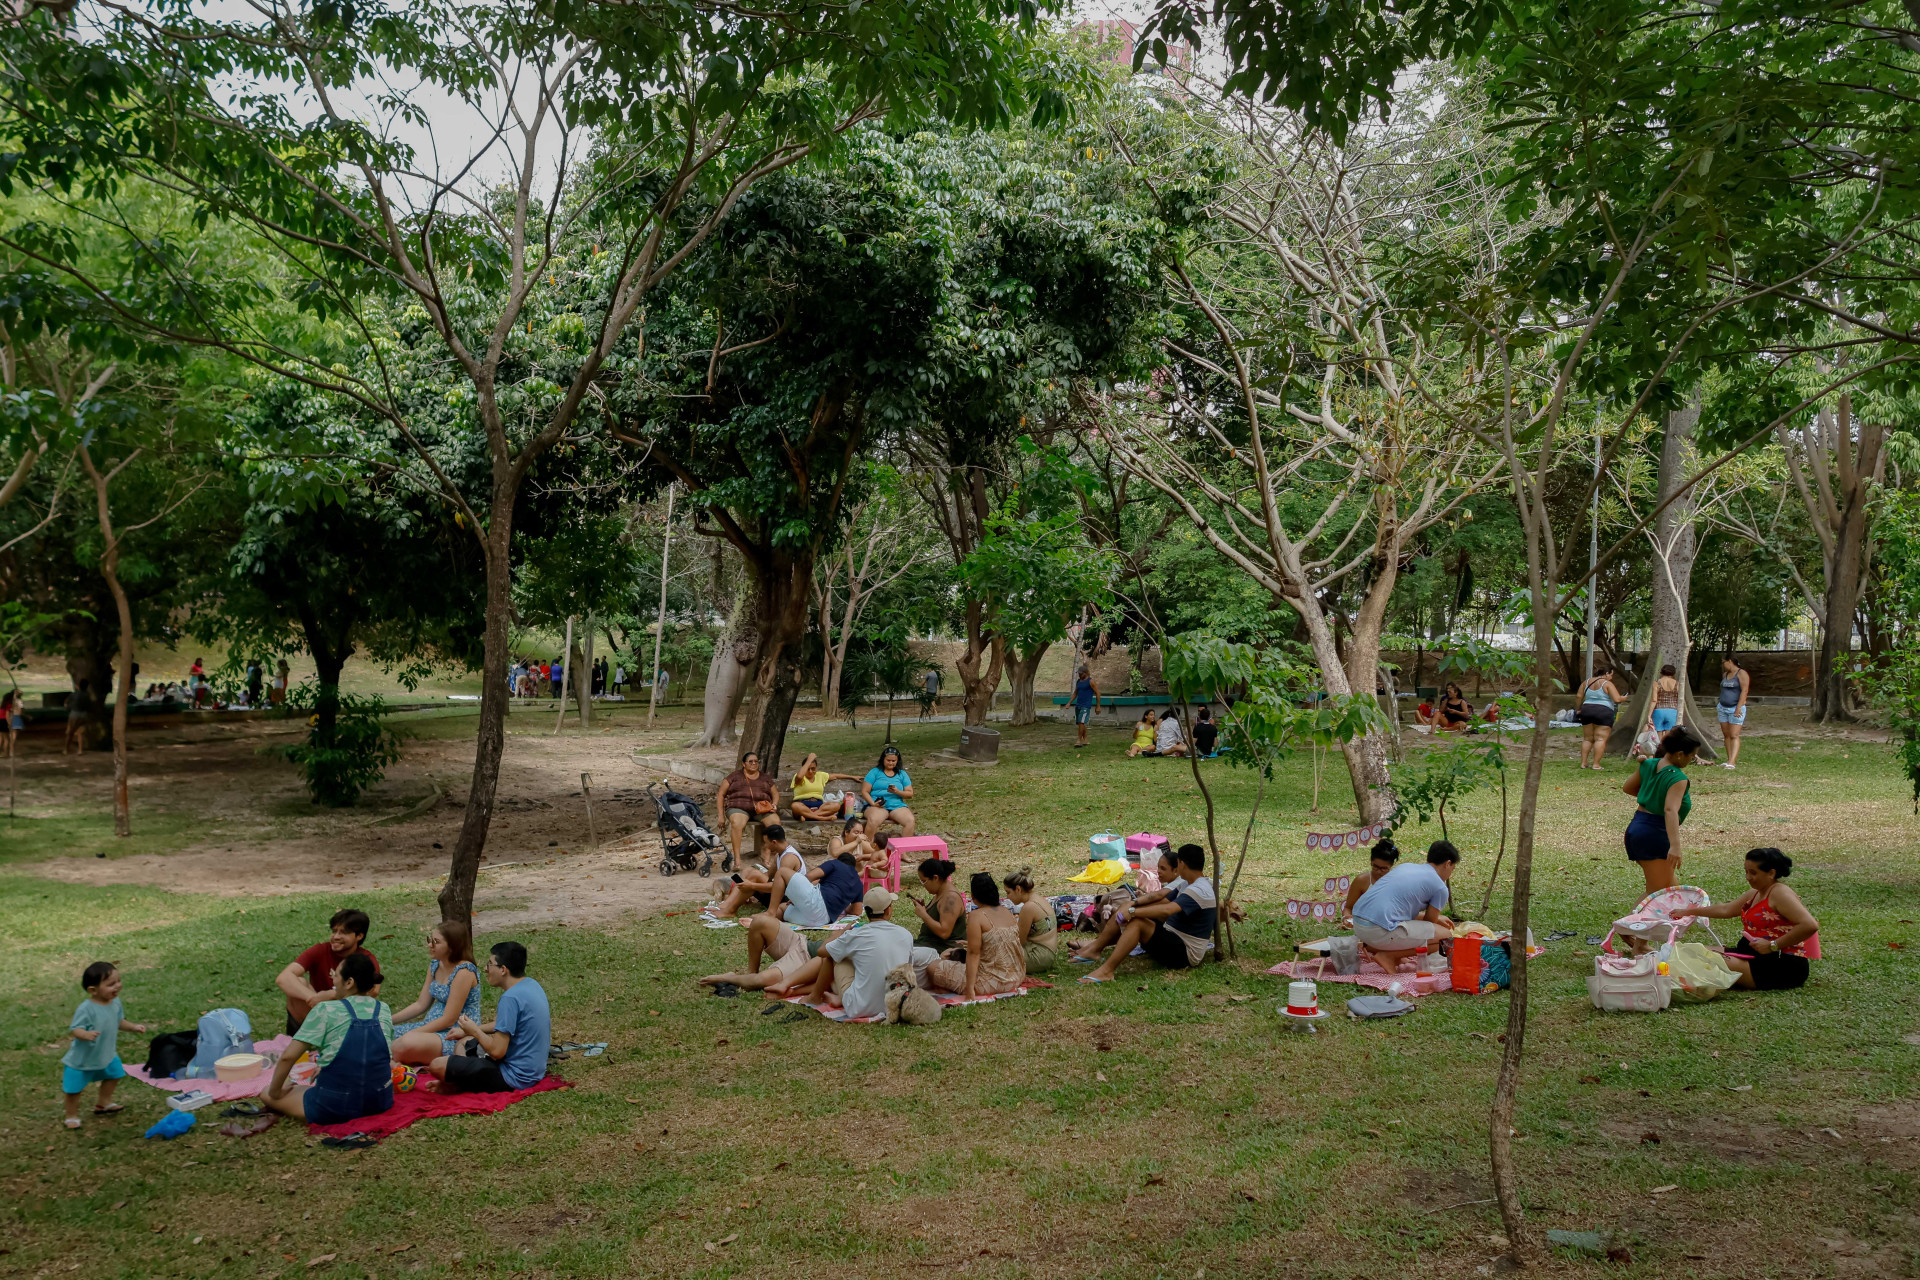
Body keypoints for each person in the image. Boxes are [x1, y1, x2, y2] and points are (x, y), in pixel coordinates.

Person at [263, 951, 394, 1125]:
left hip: (334, 1105)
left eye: (336, 975)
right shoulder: (383, 1009)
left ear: (349, 982)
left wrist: (275, 1093)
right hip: (379, 1101)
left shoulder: (325, 1010)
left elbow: (288, 1057)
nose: (333, 979)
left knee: (267, 1092)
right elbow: (373, 1054)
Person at [1672, 847, 1819, 990]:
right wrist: (1688, 911)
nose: (1748, 877)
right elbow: (1726, 909)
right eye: (1746, 872)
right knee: (1689, 951)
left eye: (1753, 872)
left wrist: (1773, 945)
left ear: (1771, 873)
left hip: (1781, 965)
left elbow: (1810, 925)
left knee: (1702, 960)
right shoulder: (1756, 893)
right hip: (1750, 955)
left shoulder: (1780, 894)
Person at [1075, 843, 1216, 983]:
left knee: (1138, 922)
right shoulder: (1188, 883)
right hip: (1173, 936)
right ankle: (1095, 949)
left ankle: (1106, 971)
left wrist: (1133, 912)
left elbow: (1168, 909)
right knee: (1131, 913)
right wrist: (1132, 904)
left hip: (1186, 953)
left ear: (1182, 864)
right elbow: (1164, 901)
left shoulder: (1199, 890)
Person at [430, 941, 551, 1094]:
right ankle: (463, 1082)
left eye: (490, 964)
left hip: (513, 1077)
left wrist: (474, 1031)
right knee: (463, 1043)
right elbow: (504, 1024)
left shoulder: (510, 998)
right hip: (533, 1071)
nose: (486, 969)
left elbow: (497, 1051)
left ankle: (461, 1085)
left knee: (437, 1065)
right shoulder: (531, 985)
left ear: (503, 970)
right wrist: (467, 1031)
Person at [803, 887, 918, 1019]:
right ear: (888, 910)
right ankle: (837, 997)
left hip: (860, 1008)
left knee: (834, 955)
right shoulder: (905, 934)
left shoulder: (856, 935)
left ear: (867, 912)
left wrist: (839, 934)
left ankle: (815, 997)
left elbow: (822, 951)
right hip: (898, 1006)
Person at [61, 961, 147, 1129]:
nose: (117, 986)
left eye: (118, 981)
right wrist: (85, 1034)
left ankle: (103, 1103)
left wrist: (133, 1027)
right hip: (83, 1059)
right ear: (93, 990)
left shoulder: (115, 1003)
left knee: (115, 1074)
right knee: (73, 1089)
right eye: (111, 984)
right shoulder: (86, 1009)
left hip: (106, 1054)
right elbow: (75, 1029)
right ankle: (71, 1116)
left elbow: (119, 1021)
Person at [1349, 840, 1458, 970]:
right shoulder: (1440, 888)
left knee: (1432, 935)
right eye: (1453, 868)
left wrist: (1436, 918)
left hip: (1359, 926)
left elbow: (1401, 909)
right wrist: (1435, 919)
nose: (1451, 872)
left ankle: (1389, 953)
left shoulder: (1406, 866)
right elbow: (1429, 926)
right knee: (1445, 937)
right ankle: (1389, 956)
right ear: (1448, 864)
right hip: (1377, 931)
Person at [389, 920, 481, 1066]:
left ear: (452, 946)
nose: (430, 945)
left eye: (436, 942)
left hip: (452, 1034)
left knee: (403, 1044)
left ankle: (394, 1061)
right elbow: (420, 1004)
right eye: (430, 940)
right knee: (380, 1034)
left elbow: (449, 1020)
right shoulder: (436, 964)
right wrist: (387, 1020)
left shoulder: (464, 971)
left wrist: (415, 1033)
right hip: (429, 1027)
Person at [276, 908, 380, 1035]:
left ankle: (319, 1037)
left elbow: (373, 990)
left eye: (343, 932)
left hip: (348, 1014)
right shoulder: (320, 950)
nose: (336, 937)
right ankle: (300, 1038)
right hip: (318, 1008)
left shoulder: (365, 960)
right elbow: (283, 977)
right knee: (298, 982)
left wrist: (332, 994)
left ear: (359, 936)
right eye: (334, 931)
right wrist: (313, 998)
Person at [1620, 725, 1698, 894]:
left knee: (1671, 892)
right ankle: (1630, 922)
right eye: (1691, 756)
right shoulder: (1678, 778)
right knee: (1656, 894)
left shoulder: (1648, 764)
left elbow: (1628, 788)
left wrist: (1651, 797)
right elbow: (1670, 811)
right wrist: (1675, 847)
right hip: (1655, 834)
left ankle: (1674, 921)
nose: (1691, 760)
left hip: (1637, 828)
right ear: (1679, 754)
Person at [927, 872, 1026, 999]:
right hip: (1016, 978)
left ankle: (945, 989)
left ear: (974, 897)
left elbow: (974, 954)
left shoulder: (976, 916)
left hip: (989, 983)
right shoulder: (1006, 912)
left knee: (932, 967)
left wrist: (970, 990)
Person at [708, 827, 808, 919]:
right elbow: (769, 876)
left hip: (789, 900)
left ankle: (730, 911)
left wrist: (752, 886)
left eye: (766, 842)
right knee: (748, 871)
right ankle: (727, 904)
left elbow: (779, 887)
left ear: (773, 842)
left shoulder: (789, 858)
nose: (765, 846)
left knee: (754, 877)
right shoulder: (780, 853)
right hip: (782, 892)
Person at [717, 751, 780, 866]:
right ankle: (737, 860)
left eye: (756, 761)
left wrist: (774, 804)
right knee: (737, 823)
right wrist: (721, 815)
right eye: (750, 761)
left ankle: (766, 856)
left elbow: (775, 794)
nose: (754, 763)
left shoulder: (765, 778)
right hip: (738, 807)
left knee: (775, 823)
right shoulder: (734, 776)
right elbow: (721, 794)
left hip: (761, 808)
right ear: (744, 764)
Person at [906, 857, 965, 955]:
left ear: (935, 878)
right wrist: (926, 909)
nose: (923, 885)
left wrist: (924, 915)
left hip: (944, 949)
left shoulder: (950, 898)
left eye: (924, 881)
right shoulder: (940, 892)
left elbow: (944, 932)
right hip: (929, 944)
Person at [1004, 867, 1058, 974]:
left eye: (1008, 892)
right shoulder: (1038, 898)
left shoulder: (1029, 907)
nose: (1007, 897)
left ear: (1018, 889)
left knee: (995, 955)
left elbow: (1019, 940)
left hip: (1038, 957)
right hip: (1048, 954)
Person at [1340, 837, 1402, 926]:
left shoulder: (1397, 882)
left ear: (1391, 866)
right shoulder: (1362, 881)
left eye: (1384, 868)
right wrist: (1346, 917)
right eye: (1375, 867)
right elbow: (1348, 908)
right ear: (1371, 862)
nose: (1379, 871)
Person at [1576, 663, 1625, 769]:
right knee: (1600, 739)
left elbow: (1579, 696)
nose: (1611, 678)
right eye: (1611, 675)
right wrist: (1624, 698)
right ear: (1606, 673)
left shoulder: (1586, 682)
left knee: (1587, 738)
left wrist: (1578, 708)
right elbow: (1617, 699)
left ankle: (1583, 763)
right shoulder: (1607, 684)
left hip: (1587, 709)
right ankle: (1596, 764)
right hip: (1603, 711)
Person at [860, 746, 916, 838]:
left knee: (910, 820)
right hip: (877, 805)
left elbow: (910, 794)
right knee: (873, 820)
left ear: (897, 761)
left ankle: (903, 850)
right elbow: (865, 791)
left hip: (897, 806)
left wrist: (897, 791)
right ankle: (868, 849)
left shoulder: (902, 774)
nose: (890, 763)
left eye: (893, 761)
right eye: (888, 760)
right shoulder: (875, 772)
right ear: (883, 760)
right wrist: (873, 804)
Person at [789, 753, 858, 823]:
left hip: (818, 805)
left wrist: (852, 777)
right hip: (802, 805)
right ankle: (822, 818)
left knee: (836, 805)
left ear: (816, 768)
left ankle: (808, 816)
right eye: (807, 769)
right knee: (795, 806)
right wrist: (809, 760)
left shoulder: (820, 775)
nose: (810, 771)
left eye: (813, 769)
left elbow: (836, 776)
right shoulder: (799, 776)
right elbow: (799, 776)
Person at [1717, 656, 1750, 770]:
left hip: (1735, 708)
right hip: (1722, 707)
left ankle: (1733, 761)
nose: (1723, 665)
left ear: (1730, 661)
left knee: (1734, 735)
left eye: (1724, 663)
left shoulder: (1741, 674)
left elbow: (1744, 690)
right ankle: (1728, 759)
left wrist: (1738, 708)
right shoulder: (1725, 675)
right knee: (1726, 735)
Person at [1646, 663, 1682, 735]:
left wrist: (1649, 715)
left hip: (1659, 711)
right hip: (1672, 711)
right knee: (1669, 736)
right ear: (1673, 673)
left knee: (1658, 735)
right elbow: (1680, 700)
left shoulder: (1656, 683)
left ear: (1661, 672)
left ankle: (1660, 746)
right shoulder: (1677, 684)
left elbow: (1654, 700)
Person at [1072, 666, 1100, 748]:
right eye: (1079, 674)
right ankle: (1086, 739)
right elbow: (1075, 693)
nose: (1079, 675)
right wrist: (1069, 702)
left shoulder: (1090, 682)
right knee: (1081, 723)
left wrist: (1098, 706)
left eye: (1081, 674)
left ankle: (1078, 740)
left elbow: (1098, 693)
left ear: (1085, 673)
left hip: (1086, 706)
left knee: (1081, 722)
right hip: (1078, 705)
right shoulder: (1078, 681)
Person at [63, 680, 89, 754]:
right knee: (80, 733)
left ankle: (66, 749)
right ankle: (80, 750)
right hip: (84, 715)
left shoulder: (73, 695)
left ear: (78, 686)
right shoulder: (87, 695)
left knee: (70, 732)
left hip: (74, 714)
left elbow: (66, 703)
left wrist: (67, 708)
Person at [2, 687, 21, 757]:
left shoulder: (5, 705)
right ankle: (9, 752)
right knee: (11, 738)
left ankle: (7, 752)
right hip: (12, 719)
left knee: (6, 737)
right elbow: (18, 712)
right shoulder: (14, 703)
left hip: (7, 719)